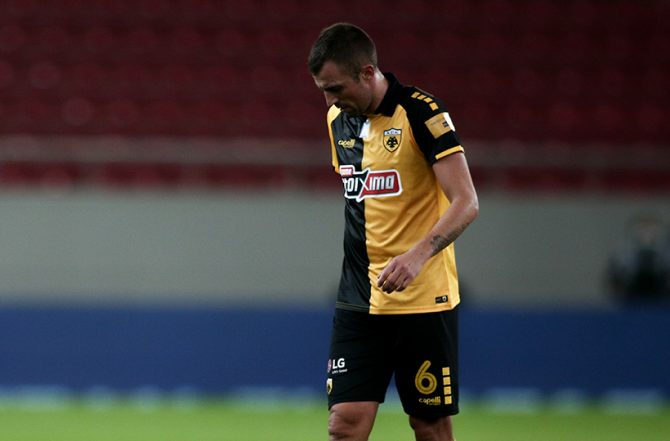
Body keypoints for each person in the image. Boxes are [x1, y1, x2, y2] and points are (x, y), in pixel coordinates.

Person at [308, 23, 479, 441]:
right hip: (359, 298)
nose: (330, 101)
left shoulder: (421, 113)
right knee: (344, 424)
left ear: (368, 73)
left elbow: (466, 202)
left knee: (429, 425)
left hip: (423, 299)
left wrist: (417, 255)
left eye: (335, 88)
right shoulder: (337, 120)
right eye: (323, 91)